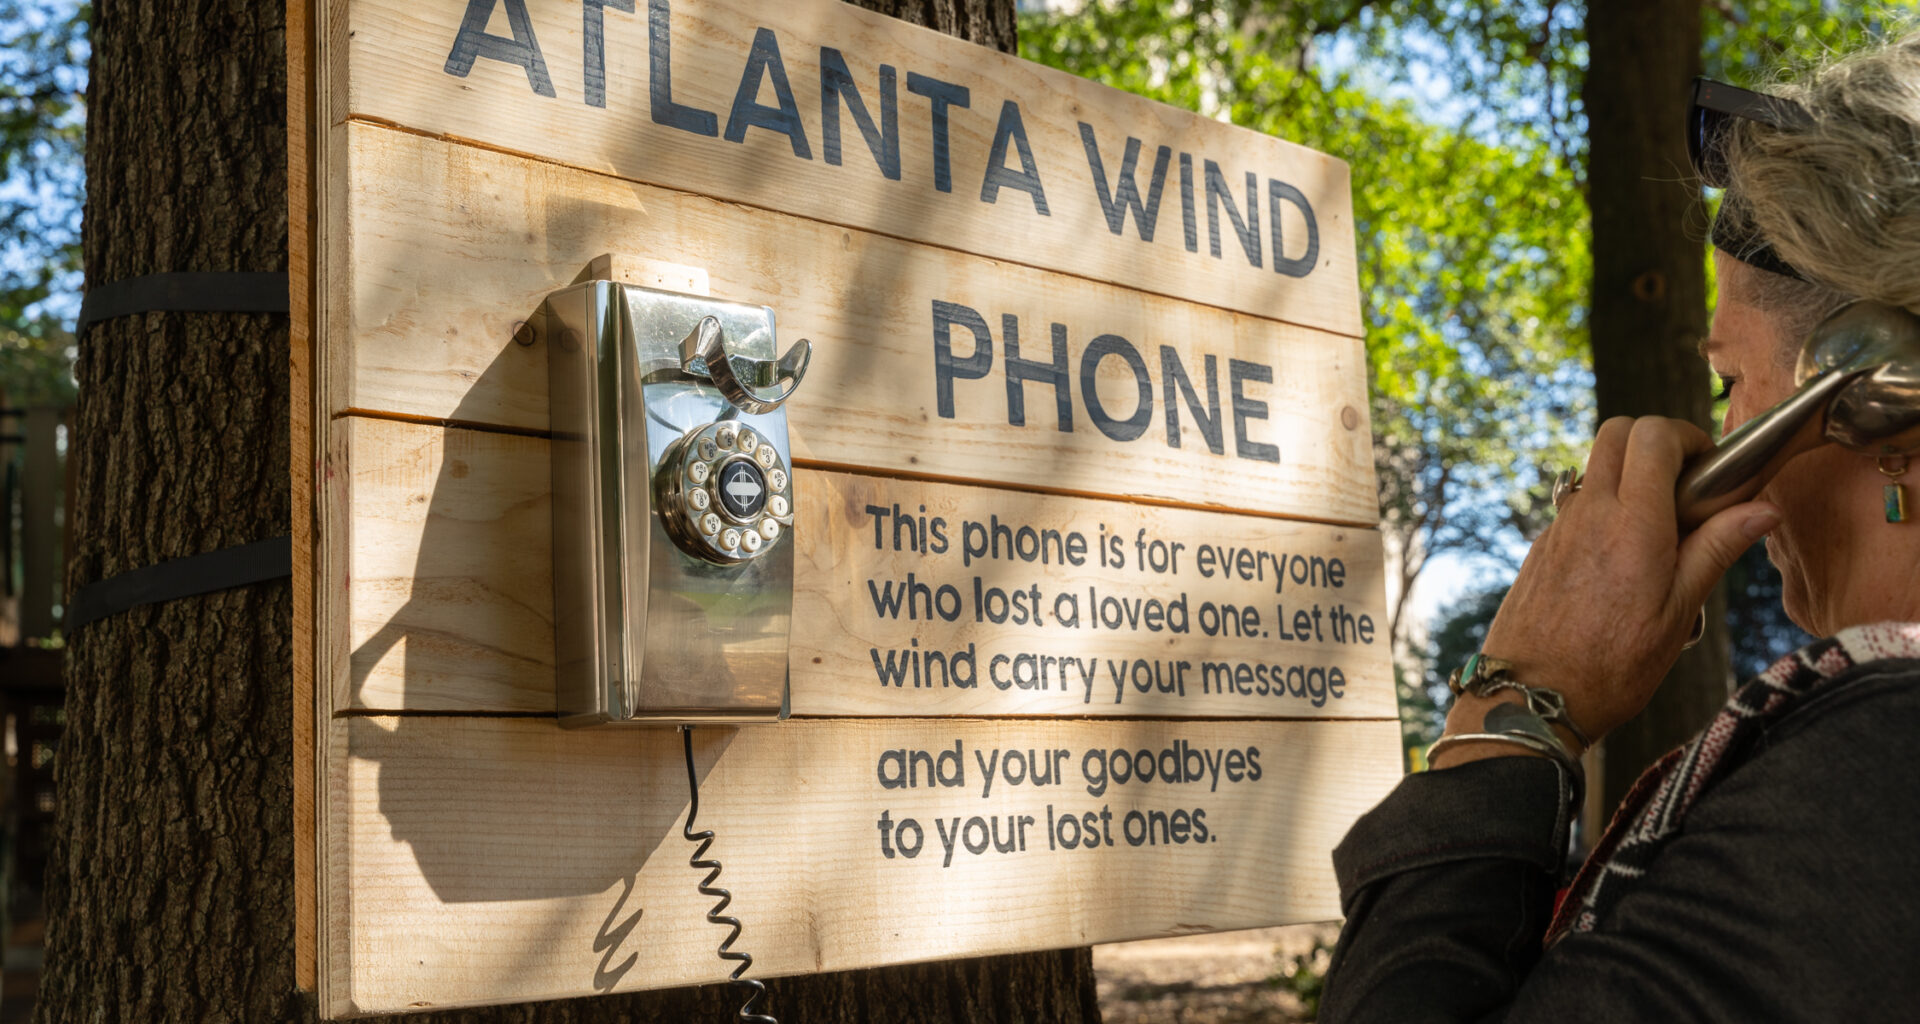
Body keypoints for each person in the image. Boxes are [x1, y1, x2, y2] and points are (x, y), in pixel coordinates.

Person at [1321, 31, 1920, 1023]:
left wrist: (1515, 710)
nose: (1719, 434)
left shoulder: (1879, 777)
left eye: (1730, 380)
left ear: (1875, 388)